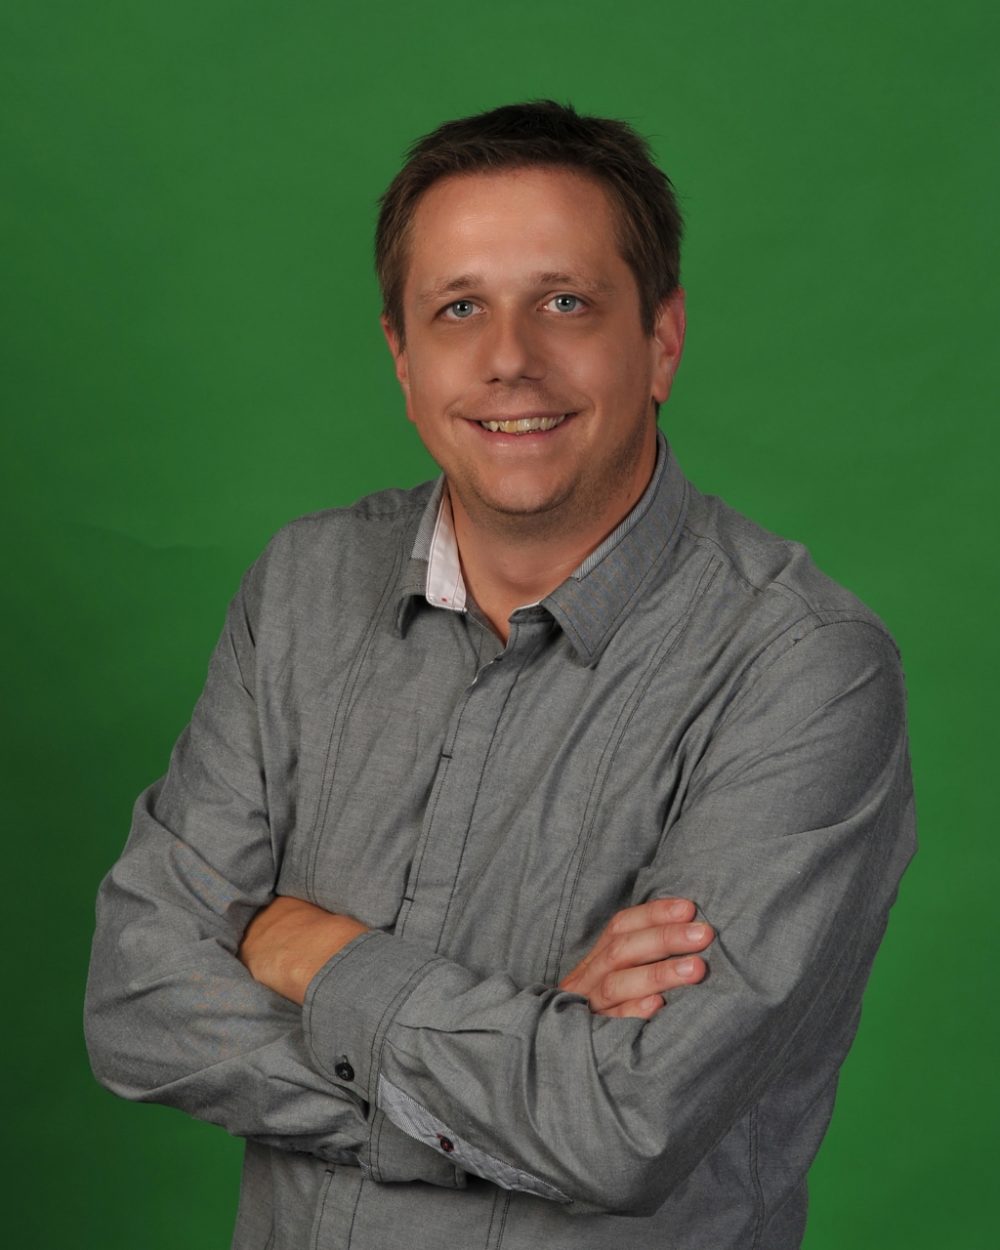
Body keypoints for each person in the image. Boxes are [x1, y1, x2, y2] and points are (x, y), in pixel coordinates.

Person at [85, 100, 916, 1249]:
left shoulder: (803, 668)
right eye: (459, 308)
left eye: (564, 301)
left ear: (662, 339)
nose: (510, 358)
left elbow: (622, 1121)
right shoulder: (303, 588)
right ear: (401, 355)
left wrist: (318, 954)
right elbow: (136, 1000)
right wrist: (524, 1066)